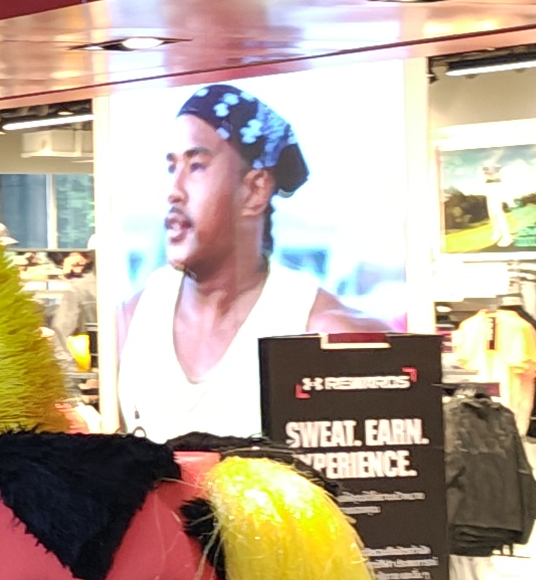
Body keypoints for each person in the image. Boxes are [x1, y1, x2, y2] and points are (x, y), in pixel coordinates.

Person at [111, 84, 389, 440]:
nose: (173, 191)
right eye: (171, 167)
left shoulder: (322, 334)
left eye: (196, 166)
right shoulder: (131, 322)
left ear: (255, 190)